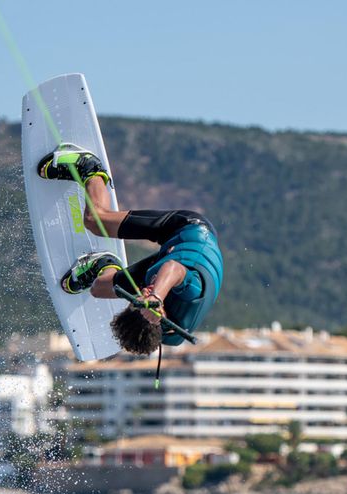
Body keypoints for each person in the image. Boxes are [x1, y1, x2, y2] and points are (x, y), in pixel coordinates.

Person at [37, 144, 223, 356]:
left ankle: (103, 264)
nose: (140, 294)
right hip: (188, 232)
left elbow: (144, 321)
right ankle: (89, 169)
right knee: (94, 221)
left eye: (135, 303)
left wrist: (142, 300)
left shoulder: (171, 336)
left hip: (164, 270)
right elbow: (174, 268)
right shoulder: (192, 293)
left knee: (98, 288)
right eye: (141, 301)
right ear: (160, 313)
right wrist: (156, 296)